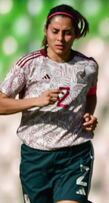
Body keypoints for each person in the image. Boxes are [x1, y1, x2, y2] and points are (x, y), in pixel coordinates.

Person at [0, 4, 98, 203]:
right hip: (36, 157)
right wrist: (38, 100)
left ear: (76, 34)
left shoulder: (88, 66)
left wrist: (88, 115)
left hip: (75, 154)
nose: (60, 39)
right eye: (55, 32)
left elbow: (90, 95)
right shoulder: (28, 64)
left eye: (67, 33)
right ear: (46, 30)